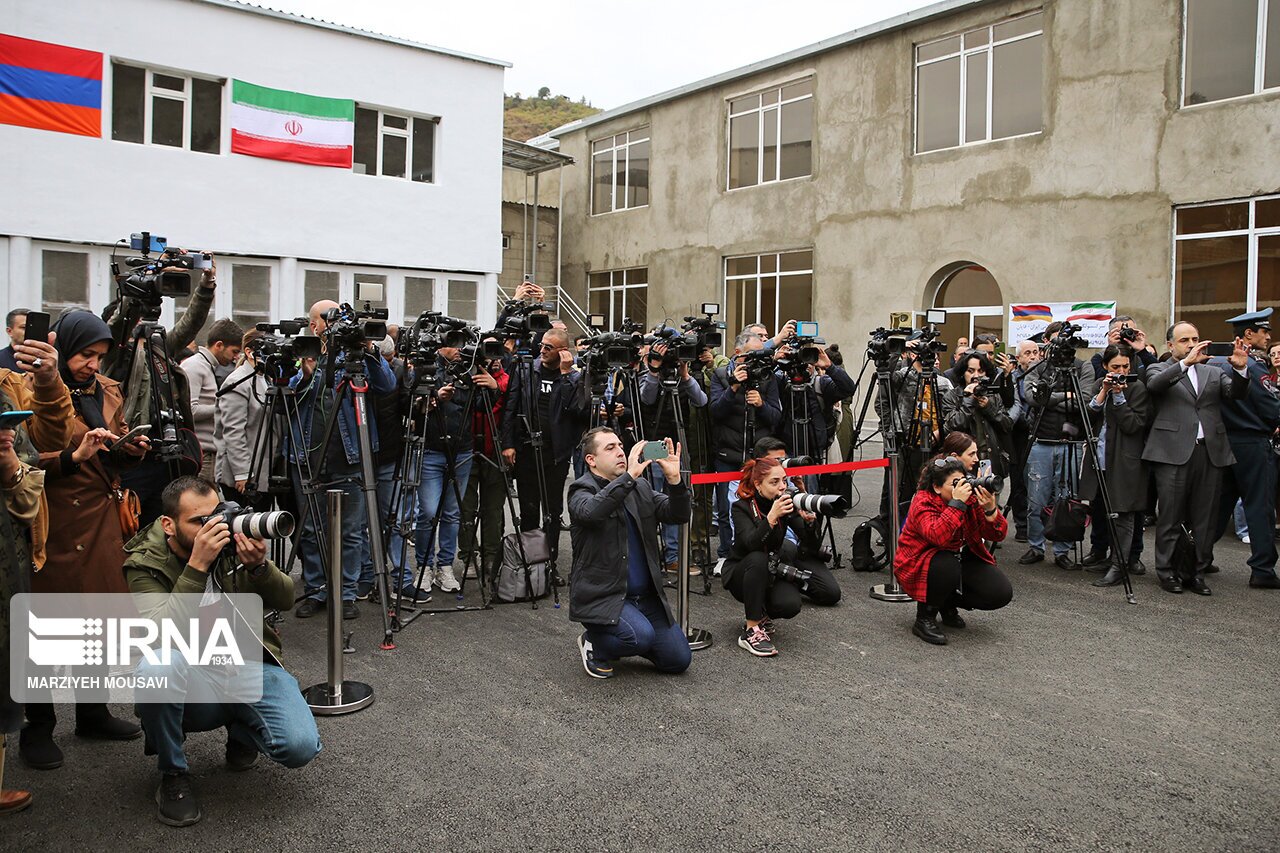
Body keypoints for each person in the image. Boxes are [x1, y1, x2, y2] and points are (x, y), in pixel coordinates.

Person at [124, 476, 321, 826]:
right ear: (169, 525)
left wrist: (259, 568)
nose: (213, 527)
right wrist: (197, 566)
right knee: (157, 668)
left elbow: (286, 599)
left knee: (300, 745)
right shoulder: (145, 562)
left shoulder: (232, 546)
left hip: (244, 664)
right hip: (190, 675)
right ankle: (173, 775)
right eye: (199, 522)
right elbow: (158, 635)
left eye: (216, 514)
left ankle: (242, 728)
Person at [21, 310, 151, 771]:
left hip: (100, 518)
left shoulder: (106, 390)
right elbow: (26, 460)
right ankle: (36, 728)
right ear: (63, 347)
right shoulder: (28, 386)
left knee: (95, 620)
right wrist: (74, 458)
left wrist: (127, 451)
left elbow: (108, 455)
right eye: (84, 355)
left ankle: (92, 712)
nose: (93, 364)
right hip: (50, 520)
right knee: (42, 627)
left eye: (99, 356)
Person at [288, 300, 396, 620]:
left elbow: (387, 384)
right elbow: (287, 392)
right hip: (308, 456)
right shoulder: (304, 352)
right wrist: (308, 372)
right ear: (314, 325)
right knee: (311, 529)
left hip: (351, 457)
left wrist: (369, 350)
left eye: (341, 318)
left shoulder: (357, 355)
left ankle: (347, 593)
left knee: (350, 531)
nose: (336, 324)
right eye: (328, 319)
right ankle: (317, 588)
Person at [568, 427, 691, 679]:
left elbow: (678, 514)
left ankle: (633, 635)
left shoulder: (640, 487)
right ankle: (595, 642)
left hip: (645, 599)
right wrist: (630, 476)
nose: (620, 452)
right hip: (606, 597)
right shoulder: (581, 489)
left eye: (620, 446)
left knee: (678, 660)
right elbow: (591, 512)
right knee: (639, 637)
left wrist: (675, 482)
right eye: (610, 448)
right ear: (591, 460)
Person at [107, 255, 218, 526]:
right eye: (135, 320)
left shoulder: (160, 347)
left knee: (166, 526)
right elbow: (119, 324)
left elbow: (191, 324)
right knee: (131, 526)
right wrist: (135, 291)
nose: (142, 324)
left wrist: (206, 285)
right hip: (135, 456)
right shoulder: (114, 355)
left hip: (168, 454)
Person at [1142, 322, 1250, 595]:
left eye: (1195, 338)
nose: (1191, 344)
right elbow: (1154, 386)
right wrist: (1184, 364)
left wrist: (1240, 369)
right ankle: (1167, 572)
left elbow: (1235, 394)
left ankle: (1197, 572)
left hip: (1209, 452)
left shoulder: (1214, 372)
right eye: (1184, 340)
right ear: (1170, 345)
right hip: (1172, 452)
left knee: (1205, 517)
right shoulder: (1160, 368)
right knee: (1170, 516)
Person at [723, 456, 842, 656]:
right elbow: (751, 544)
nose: (782, 487)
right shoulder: (741, 507)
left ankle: (761, 614)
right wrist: (771, 518)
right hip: (741, 573)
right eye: (774, 482)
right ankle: (751, 631)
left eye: (784, 481)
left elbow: (810, 546)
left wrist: (810, 523)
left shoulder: (785, 504)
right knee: (758, 558)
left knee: (790, 604)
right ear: (758, 484)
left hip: (771, 569)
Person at [894, 454, 1012, 646]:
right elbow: (938, 537)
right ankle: (925, 617)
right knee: (946, 565)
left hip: (958, 559)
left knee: (1000, 592)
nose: (962, 487)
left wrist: (991, 510)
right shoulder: (923, 502)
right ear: (937, 487)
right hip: (919, 564)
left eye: (963, 481)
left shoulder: (970, 499)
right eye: (955, 483)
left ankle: (947, 601)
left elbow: (996, 536)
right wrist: (957, 504)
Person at [501, 327, 590, 567]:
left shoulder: (573, 377)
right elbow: (511, 405)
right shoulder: (527, 369)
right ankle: (531, 563)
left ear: (563, 352)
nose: (542, 350)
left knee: (552, 511)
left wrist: (565, 375)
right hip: (528, 449)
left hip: (556, 454)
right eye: (541, 345)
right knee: (529, 509)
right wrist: (507, 444)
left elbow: (576, 410)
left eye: (548, 348)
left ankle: (549, 563)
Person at [1210, 309, 1280, 589]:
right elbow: (1270, 407)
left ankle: (1197, 556)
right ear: (1248, 335)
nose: (1269, 336)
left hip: (1225, 441)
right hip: (1252, 443)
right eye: (1265, 331)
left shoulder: (1217, 363)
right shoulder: (1253, 365)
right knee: (1260, 507)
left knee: (1219, 505)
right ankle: (1262, 569)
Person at [1021, 322, 1098, 569]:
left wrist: (1051, 399)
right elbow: (1033, 398)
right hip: (1041, 441)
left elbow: (1085, 400)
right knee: (1036, 500)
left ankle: (1063, 550)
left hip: (1071, 443)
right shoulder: (1040, 367)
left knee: (1067, 499)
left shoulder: (1082, 367)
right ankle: (1035, 546)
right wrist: (1066, 396)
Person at [1078, 345, 1151, 587]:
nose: (1120, 372)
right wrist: (1103, 392)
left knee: (1123, 514)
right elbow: (1087, 419)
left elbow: (1133, 425)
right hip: (1099, 460)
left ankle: (1120, 565)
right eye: (1115, 367)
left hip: (1125, 462)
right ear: (1106, 367)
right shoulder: (1100, 383)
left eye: (1125, 367)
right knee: (1099, 509)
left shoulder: (1137, 387)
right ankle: (1105, 555)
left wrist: (1119, 396)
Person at [709, 331, 783, 566]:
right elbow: (715, 412)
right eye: (752, 354)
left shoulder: (767, 377)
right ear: (738, 353)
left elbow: (776, 418)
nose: (756, 360)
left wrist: (761, 405)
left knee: (760, 505)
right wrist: (733, 388)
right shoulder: (721, 375)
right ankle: (725, 553)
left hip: (756, 455)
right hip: (728, 454)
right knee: (725, 508)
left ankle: (758, 550)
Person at [639, 337, 709, 573]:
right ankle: (651, 556)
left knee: (676, 498)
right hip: (654, 443)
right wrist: (654, 370)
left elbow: (701, 400)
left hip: (678, 445)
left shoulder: (682, 379)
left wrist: (685, 374)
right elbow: (646, 398)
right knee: (655, 498)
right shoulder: (648, 373)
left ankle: (673, 556)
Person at [459, 347, 511, 586]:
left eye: (498, 355)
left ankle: (492, 557)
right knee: (465, 508)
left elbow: (512, 411)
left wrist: (495, 388)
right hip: (467, 452)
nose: (494, 361)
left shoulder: (508, 382)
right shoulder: (465, 379)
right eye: (489, 356)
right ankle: (469, 555)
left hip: (495, 453)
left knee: (493, 509)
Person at [214, 329, 273, 508]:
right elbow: (233, 431)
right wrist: (242, 474)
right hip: (244, 476)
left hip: (262, 471)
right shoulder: (238, 382)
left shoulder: (265, 378)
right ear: (249, 352)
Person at [181, 318, 244, 482]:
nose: (236, 357)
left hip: (208, 452)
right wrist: (222, 406)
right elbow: (189, 411)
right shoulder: (195, 366)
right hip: (201, 453)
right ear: (219, 345)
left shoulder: (206, 366)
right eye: (235, 351)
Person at [943, 350, 1012, 479]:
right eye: (971, 371)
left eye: (980, 371)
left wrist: (988, 407)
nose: (976, 376)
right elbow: (955, 425)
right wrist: (969, 399)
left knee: (990, 498)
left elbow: (1007, 425)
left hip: (991, 462)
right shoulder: (952, 396)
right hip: (964, 465)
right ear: (963, 373)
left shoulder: (993, 395)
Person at [1007, 340, 1042, 542]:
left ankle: (1042, 524)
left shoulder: (1045, 375)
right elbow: (1012, 404)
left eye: (1035, 352)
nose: (1032, 356)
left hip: (1040, 432)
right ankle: (1022, 525)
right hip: (1018, 434)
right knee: (1019, 480)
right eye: (1027, 353)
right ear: (1018, 358)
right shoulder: (1012, 379)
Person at [0, 308, 29, 373]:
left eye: (31, 328)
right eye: (24, 327)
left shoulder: (45, 359)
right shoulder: (1, 359)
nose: (29, 331)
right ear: (9, 331)